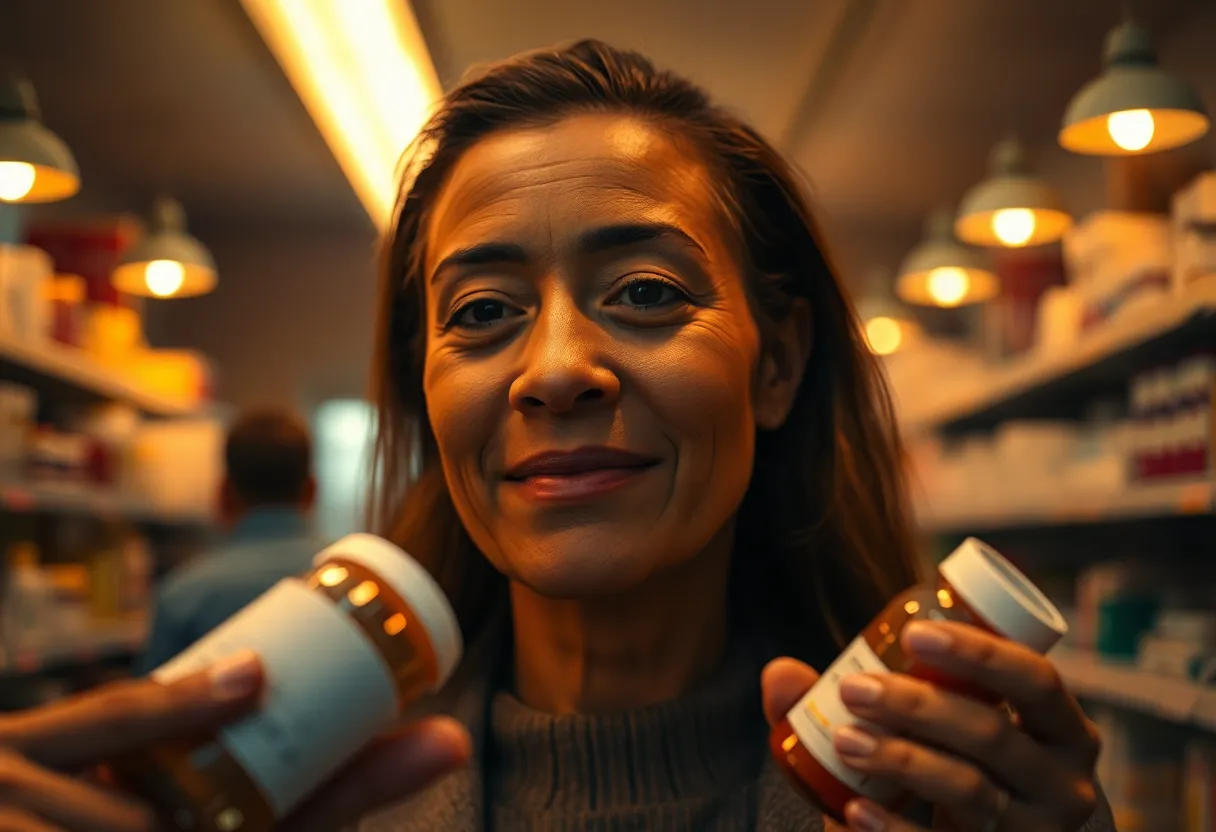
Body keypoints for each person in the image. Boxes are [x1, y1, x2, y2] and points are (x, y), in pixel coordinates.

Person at [0, 41, 1114, 832]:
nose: (555, 370)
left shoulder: (939, 795)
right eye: (481, 312)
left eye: (641, 290)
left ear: (774, 363)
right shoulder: (286, 796)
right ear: (426, 394)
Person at [138, 408, 327, 672]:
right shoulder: (348, 582)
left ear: (223, 494)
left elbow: (151, 705)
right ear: (312, 491)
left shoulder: (183, 595)